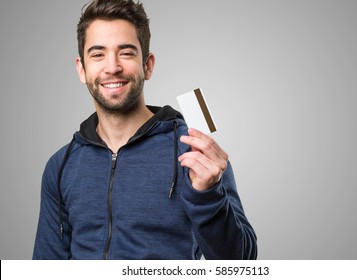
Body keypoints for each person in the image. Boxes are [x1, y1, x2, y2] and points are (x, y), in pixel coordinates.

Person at [33, 0, 257, 260]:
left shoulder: (195, 150)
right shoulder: (62, 165)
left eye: (126, 53)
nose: (112, 67)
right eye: (97, 54)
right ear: (81, 69)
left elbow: (240, 263)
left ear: (148, 65)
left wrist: (208, 194)